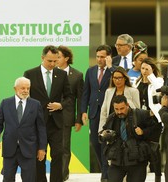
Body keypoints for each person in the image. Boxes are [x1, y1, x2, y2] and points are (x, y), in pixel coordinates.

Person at [23, 45, 73, 182]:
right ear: (42, 57)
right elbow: (24, 97)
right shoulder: (30, 74)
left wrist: (61, 105)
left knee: (58, 154)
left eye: (55, 61)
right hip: (37, 123)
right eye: (49, 61)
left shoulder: (62, 75)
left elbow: (69, 97)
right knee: (39, 156)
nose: (52, 64)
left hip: (56, 123)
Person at [0, 77, 47, 182]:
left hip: (29, 149)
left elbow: (41, 127)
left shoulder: (36, 104)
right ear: (15, 88)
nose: (26, 91)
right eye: (23, 88)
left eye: (28, 88)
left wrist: (42, 148)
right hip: (9, 149)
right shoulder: (5, 103)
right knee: (7, 178)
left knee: (29, 179)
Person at [99, 95, 155, 182]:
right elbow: (104, 131)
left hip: (137, 159)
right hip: (118, 159)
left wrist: (143, 132)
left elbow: (155, 129)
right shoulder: (112, 118)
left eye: (122, 108)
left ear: (127, 105)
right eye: (116, 109)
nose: (119, 112)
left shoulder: (140, 114)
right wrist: (104, 135)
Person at [81, 44, 114, 182]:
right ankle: (104, 171)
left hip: (108, 113)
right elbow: (86, 92)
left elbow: (118, 83)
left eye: (102, 57)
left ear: (108, 57)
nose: (99, 59)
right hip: (94, 112)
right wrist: (83, 111)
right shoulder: (91, 71)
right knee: (95, 143)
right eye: (98, 56)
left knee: (106, 144)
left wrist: (111, 67)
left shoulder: (114, 70)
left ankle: (105, 175)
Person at [133, 57, 164, 181]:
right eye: (142, 68)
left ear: (152, 69)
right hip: (140, 118)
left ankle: (157, 175)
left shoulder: (158, 80)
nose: (144, 71)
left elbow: (158, 89)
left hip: (153, 119)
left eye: (147, 68)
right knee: (141, 148)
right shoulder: (137, 82)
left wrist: (151, 76)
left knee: (154, 149)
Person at [56, 45, 84, 181]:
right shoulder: (50, 73)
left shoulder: (77, 75)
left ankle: (62, 175)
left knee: (64, 147)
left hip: (66, 117)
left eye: (59, 56)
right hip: (49, 116)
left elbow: (80, 98)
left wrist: (78, 119)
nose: (56, 59)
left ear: (66, 58)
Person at [99, 66, 140, 132]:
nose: (117, 80)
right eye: (115, 78)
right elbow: (104, 111)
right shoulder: (108, 91)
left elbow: (137, 111)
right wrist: (101, 130)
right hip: (112, 126)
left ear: (125, 78)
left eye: (120, 78)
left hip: (127, 126)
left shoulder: (133, 91)